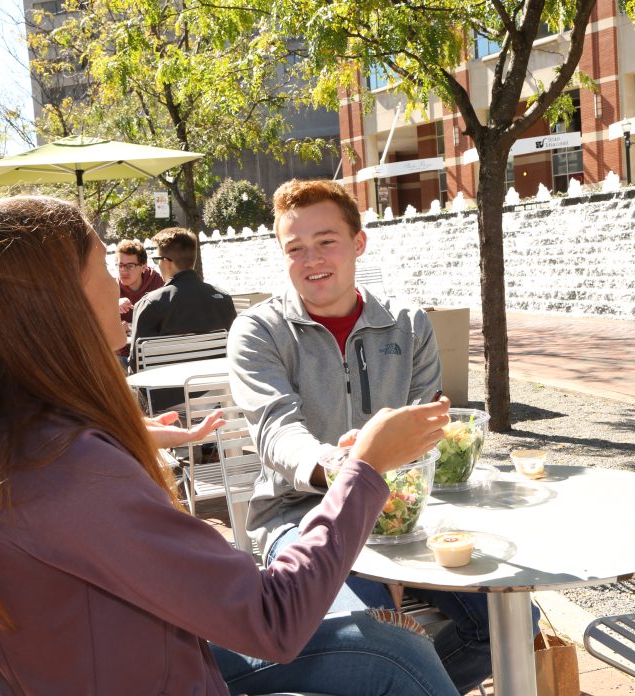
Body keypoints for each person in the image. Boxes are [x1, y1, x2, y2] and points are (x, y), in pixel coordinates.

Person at [0, 195, 459, 695]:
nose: (122, 286)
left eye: (326, 242)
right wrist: (365, 466)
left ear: (359, 244)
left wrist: (123, 435)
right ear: (57, 300)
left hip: (165, 653)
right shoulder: (71, 470)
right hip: (199, 643)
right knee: (393, 650)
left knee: (405, 649)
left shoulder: (24, 441)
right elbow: (274, 617)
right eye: (103, 266)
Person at [228, 179, 539, 695]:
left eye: (326, 241)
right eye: (295, 248)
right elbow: (276, 432)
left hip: (411, 513)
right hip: (301, 514)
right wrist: (345, 467)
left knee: (511, 624)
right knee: (380, 641)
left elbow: (429, 431)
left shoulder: (408, 324)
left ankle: (410, 682)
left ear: (358, 243)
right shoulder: (260, 331)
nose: (312, 259)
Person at [128, 227, 237, 373]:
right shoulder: (224, 299)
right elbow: (236, 351)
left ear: (167, 262)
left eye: (157, 259)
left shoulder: (150, 304)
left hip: (165, 393)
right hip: (218, 389)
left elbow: (136, 365)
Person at [114, 238, 164, 366]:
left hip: (153, 352)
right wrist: (113, 306)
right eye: (120, 265)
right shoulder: (112, 288)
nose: (124, 271)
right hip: (123, 355)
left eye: (130, 266)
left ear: (143, 267)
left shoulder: (157, 282)